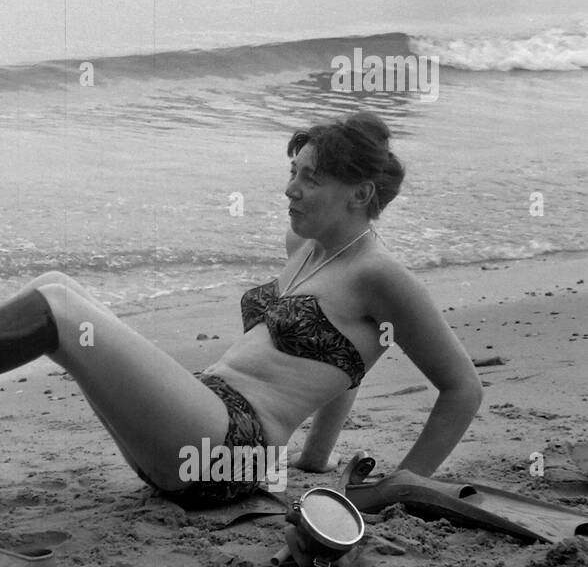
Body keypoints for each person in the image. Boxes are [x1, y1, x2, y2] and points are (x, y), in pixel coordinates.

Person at [26, 112, 483, 504]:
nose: (290, 189)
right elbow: (342, 362)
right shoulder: (304, 247)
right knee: (55, 284)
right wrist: (315, 458)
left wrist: (401, 486)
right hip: (190, 430)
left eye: (310, 178)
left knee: (60, 308)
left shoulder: (379, 275)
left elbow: (463, 388)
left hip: (232, 448)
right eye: (293, 172)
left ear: (360, 195)